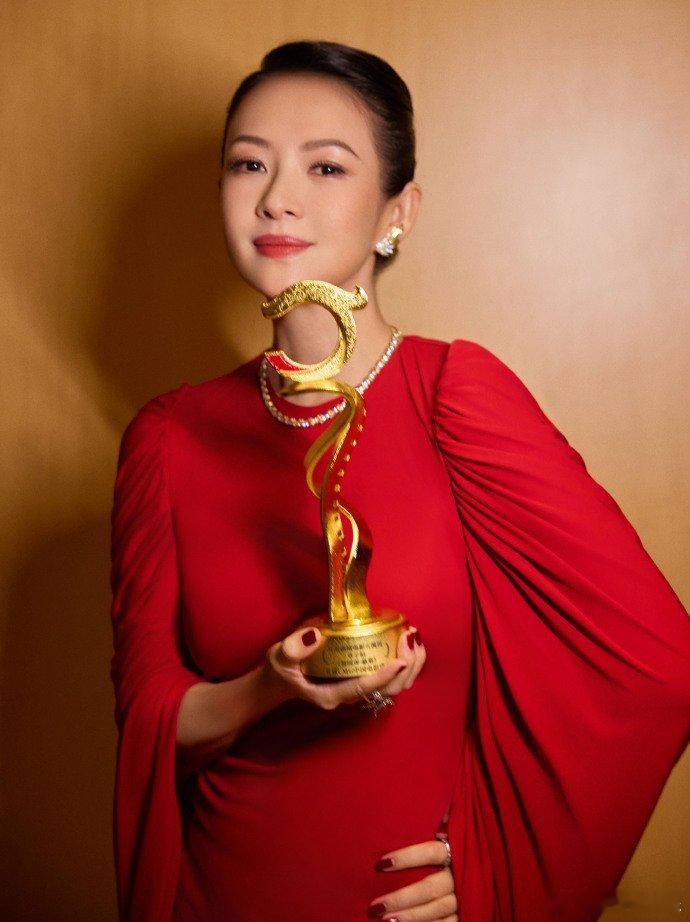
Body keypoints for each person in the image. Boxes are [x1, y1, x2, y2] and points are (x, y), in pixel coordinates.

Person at [108, 40, 690, 922]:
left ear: (397, 211)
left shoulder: (453, 396)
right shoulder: (169, 436)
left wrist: (500, 868)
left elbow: (658, 668)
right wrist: (269, 686)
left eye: (326, 166)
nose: (277, 197)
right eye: (249, 163)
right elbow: (150, 718)